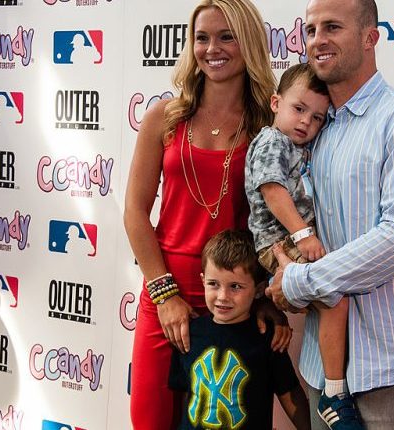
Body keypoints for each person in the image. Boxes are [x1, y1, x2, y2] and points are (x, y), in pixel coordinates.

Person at [265, 0, 394, 428]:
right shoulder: (313, 129)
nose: (318, 39)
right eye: (310, 30)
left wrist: (300, 281)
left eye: (332, 27)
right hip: (321, 361)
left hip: (392, 359)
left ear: (371, 37)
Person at [123, 1, 289, 428]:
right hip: (164, 295)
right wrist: (164, 295)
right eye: (202, 37)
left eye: (226, 36)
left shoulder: (267, 128)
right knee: (151, 420)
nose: (211, 48)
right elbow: (135, 214)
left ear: (248, 42)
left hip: (231, 297)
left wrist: (263, 295)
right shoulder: (163, 117)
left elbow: (272, 223)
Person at [245, 63, 362, 428]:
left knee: (334, 302)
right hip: (278, 240)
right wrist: (302, 234)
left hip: (290, 239)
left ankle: (335, 387)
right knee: (335, 298)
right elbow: (272, 190)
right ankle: (334, 393)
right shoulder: (271, 140)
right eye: (298, 109)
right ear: (276, 102)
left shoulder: (303, 146)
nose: (306, 123)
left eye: (317, 118)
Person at [169, 230, 310, 430]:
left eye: (235, 286)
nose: (222, 296)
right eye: (213, 284)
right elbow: (185, 396)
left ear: (259, 290)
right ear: (202, 281)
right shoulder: (188, 334)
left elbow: (289, 393)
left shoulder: (266, 338)